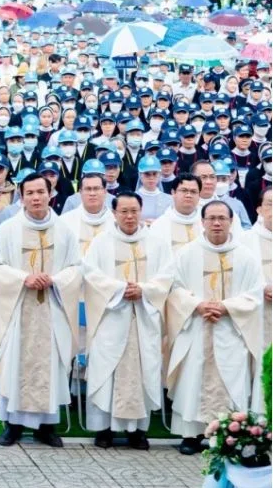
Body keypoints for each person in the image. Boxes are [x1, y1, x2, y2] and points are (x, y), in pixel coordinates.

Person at [0, 172, 81, 447]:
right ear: (21, 196)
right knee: (16, 364)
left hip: (53, 306)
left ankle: (47, 427)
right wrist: (23, 278)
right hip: (18, 308)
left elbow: (76, 267)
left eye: (41, 192)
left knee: (50, 367)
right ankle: (13, 425)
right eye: (30, 193)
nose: (36, 197)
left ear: (51, 194)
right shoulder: (8, 229)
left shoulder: (64, 230)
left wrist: (55, 280)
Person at [165, 200, 264, 455]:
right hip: (197, 327)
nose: (217, 223)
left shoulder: (245, 256)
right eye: (211, 218)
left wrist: (226, 307)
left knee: (231, 381)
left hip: (231, 329)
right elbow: (174, 289)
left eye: (222, 218)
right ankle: (190, 435)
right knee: (193, 381)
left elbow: (255, 294)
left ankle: (229, 435)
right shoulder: (187, 254)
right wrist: (197, 305)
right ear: (202, 222)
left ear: (231, 222)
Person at [81, 191, 173, 450]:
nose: (130, 216)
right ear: (114, 213)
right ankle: (103, 429)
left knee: (143, 370)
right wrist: (120, 289)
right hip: (111, 317)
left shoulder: (157, 242)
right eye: (124, 211)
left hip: (144, 316)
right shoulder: (101, 243)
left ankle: (137, 431)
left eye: (134, 211)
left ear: (141, 211)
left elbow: (167, 275)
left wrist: (144, 289)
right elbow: (91, 274)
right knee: (106, 371)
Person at [60, 161, 115, 257]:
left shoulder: (116, 221)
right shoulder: (65, 221)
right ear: (80, 192)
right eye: (88, 189)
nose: (92, 193)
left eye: (96, 188)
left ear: (105, 191)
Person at [242, 187, 271, 347]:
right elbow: (239, 276)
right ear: (259, 209)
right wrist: (262, 287)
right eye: (270, 204)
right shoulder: (246, 240)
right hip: (259, 311)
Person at [149, 173, 204, 255]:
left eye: (193, 191)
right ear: (173, 193)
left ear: (199, 195)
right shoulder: (159, 225)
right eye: (184, 190)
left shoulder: (206, 223)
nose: (189, 195)